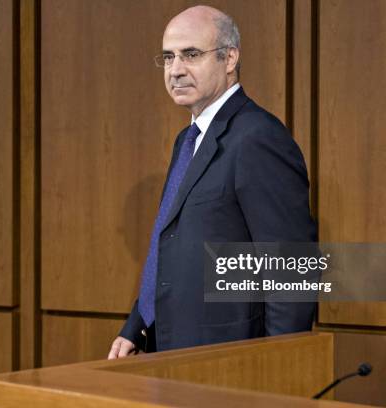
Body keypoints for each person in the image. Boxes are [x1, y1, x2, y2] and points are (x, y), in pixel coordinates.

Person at [108, 5, 316, 359]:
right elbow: (172, 243)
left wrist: (281, 365)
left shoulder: (257, 137)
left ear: (229, 58)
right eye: (168, 57)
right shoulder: (186, 140)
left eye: (190, 54)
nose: (175, 70)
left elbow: (290, 268)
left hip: (231, 358)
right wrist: (138, 324)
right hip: (174, 350)